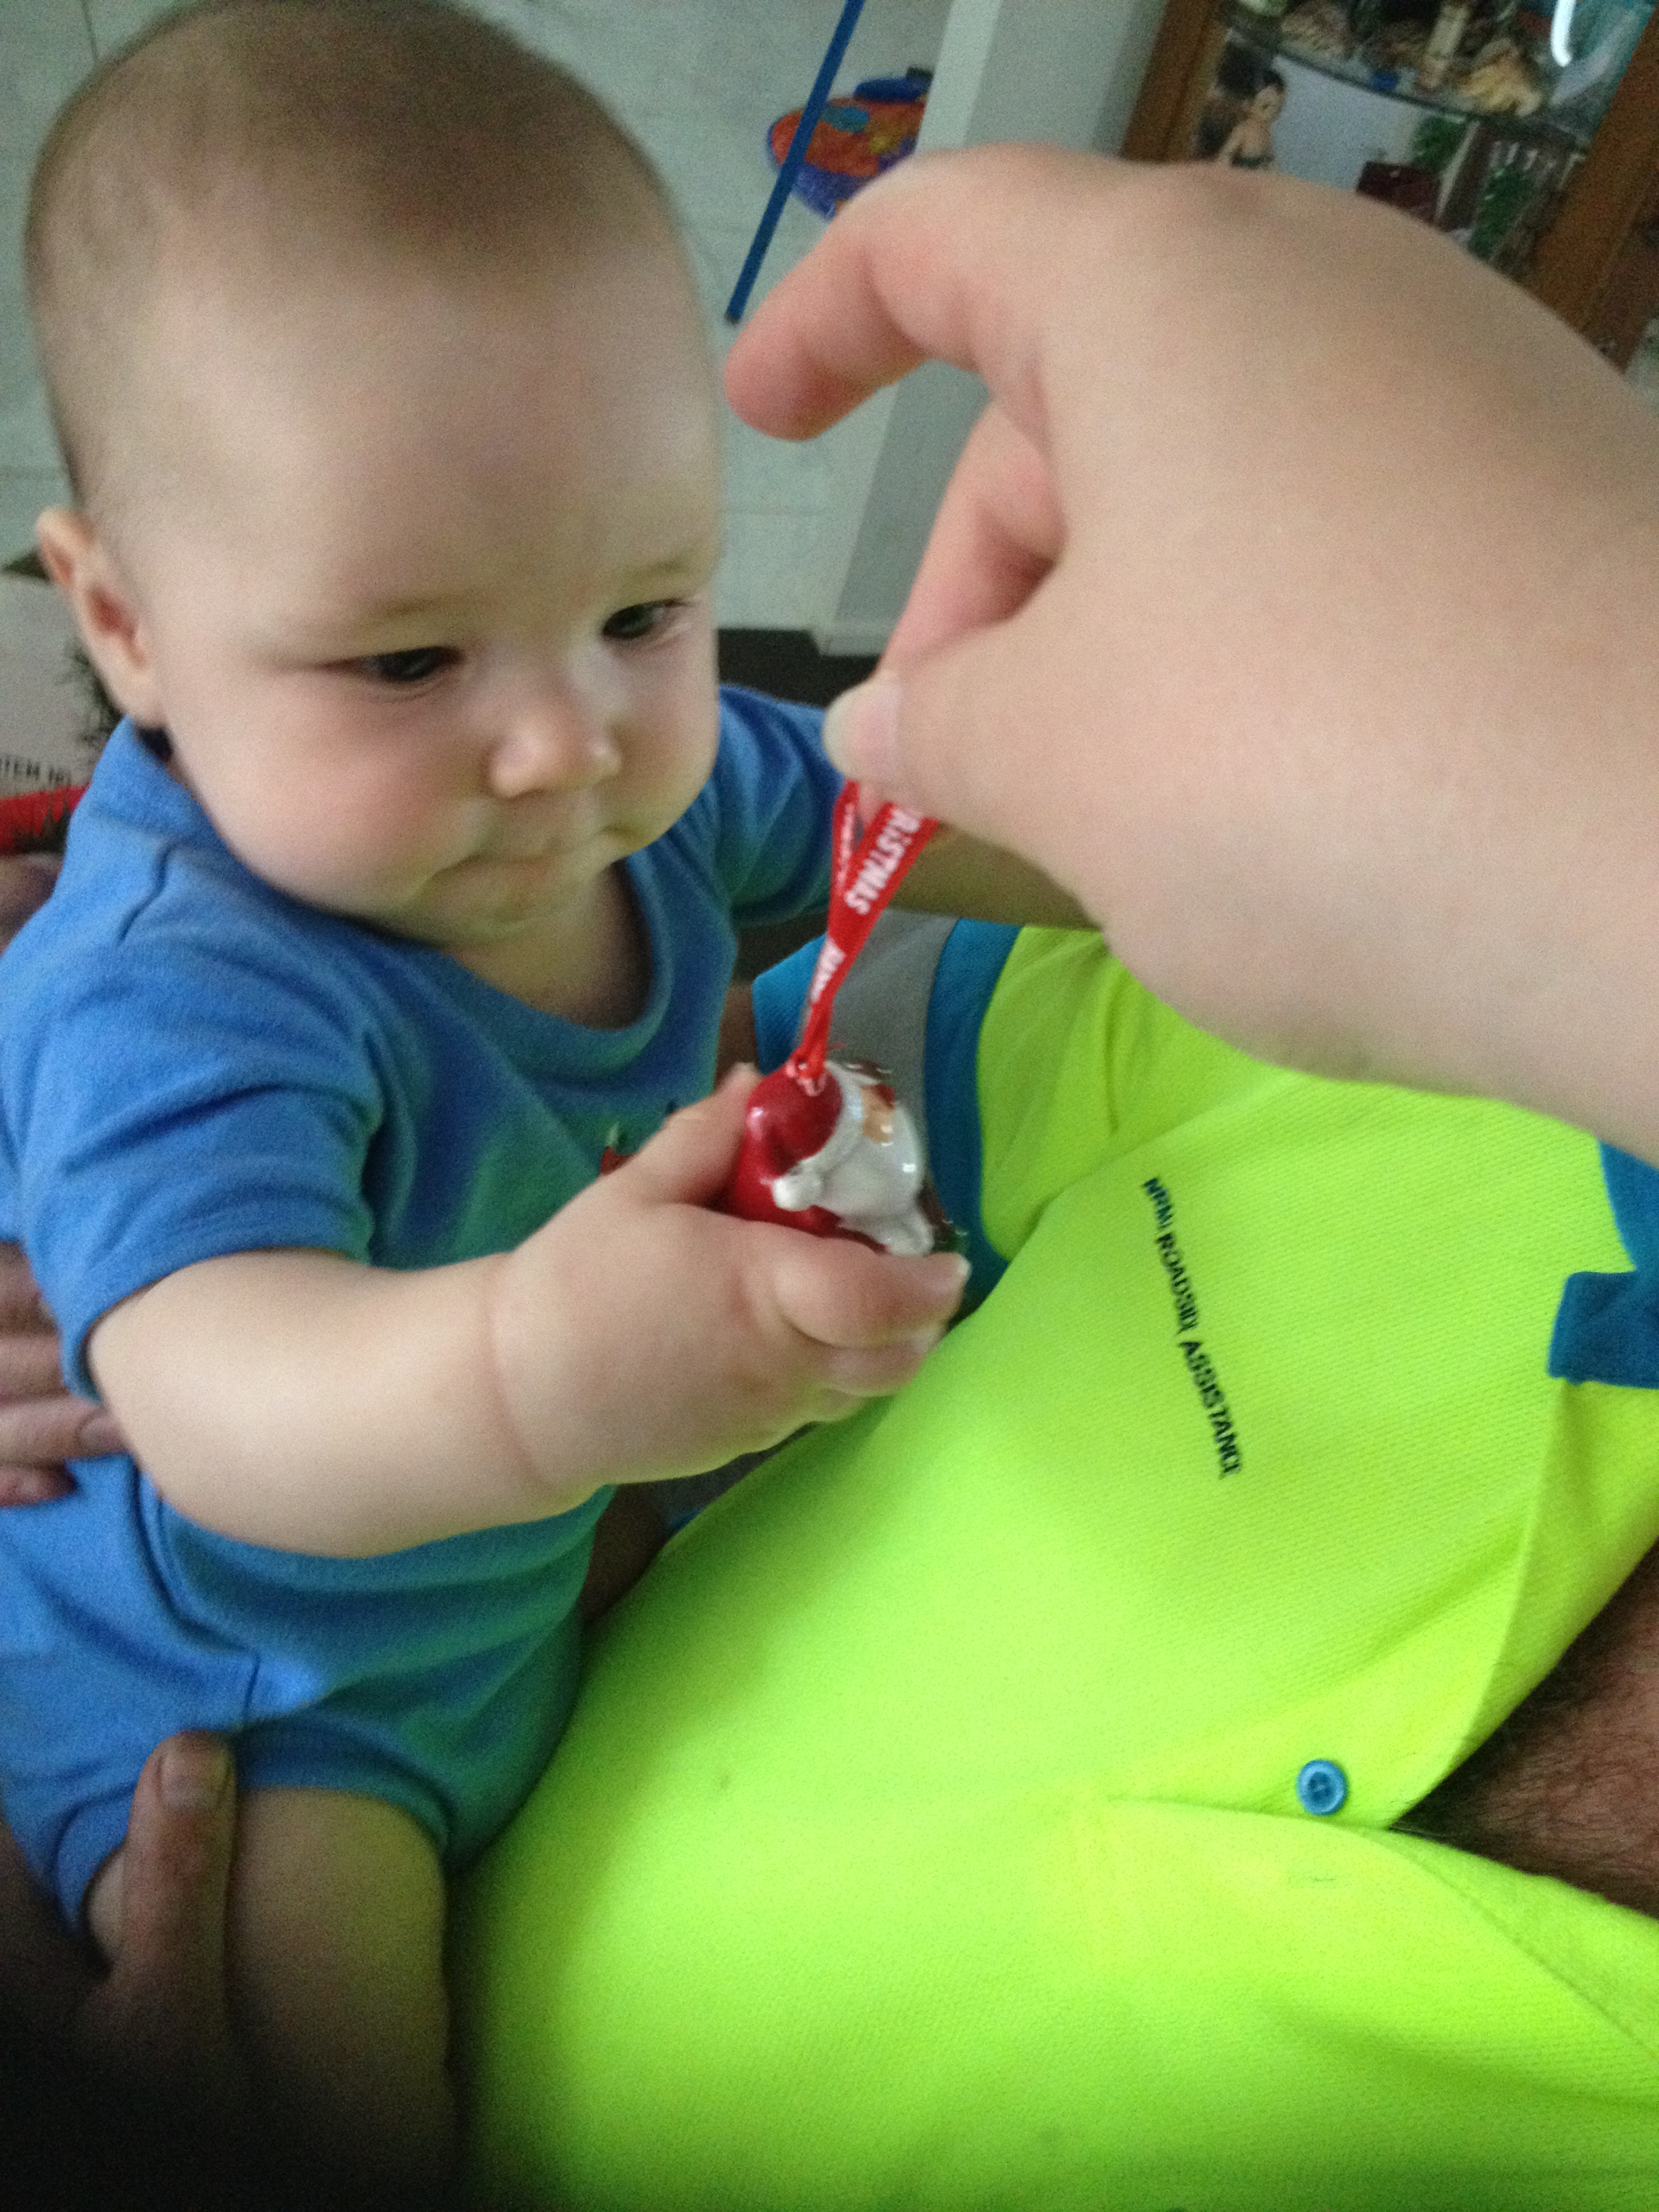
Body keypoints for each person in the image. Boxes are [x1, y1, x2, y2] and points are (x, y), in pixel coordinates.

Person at [3, 5, 1081, 2187]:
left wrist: (1174, 845)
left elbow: (915, 813)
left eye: (648, 608)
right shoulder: (180, 982)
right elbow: (211, 1392)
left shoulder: (636, 796)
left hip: (509, 1578)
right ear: (124, 622)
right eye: (411, 658)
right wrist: (536, 1375)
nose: (563, 741)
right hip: (261, 1701)